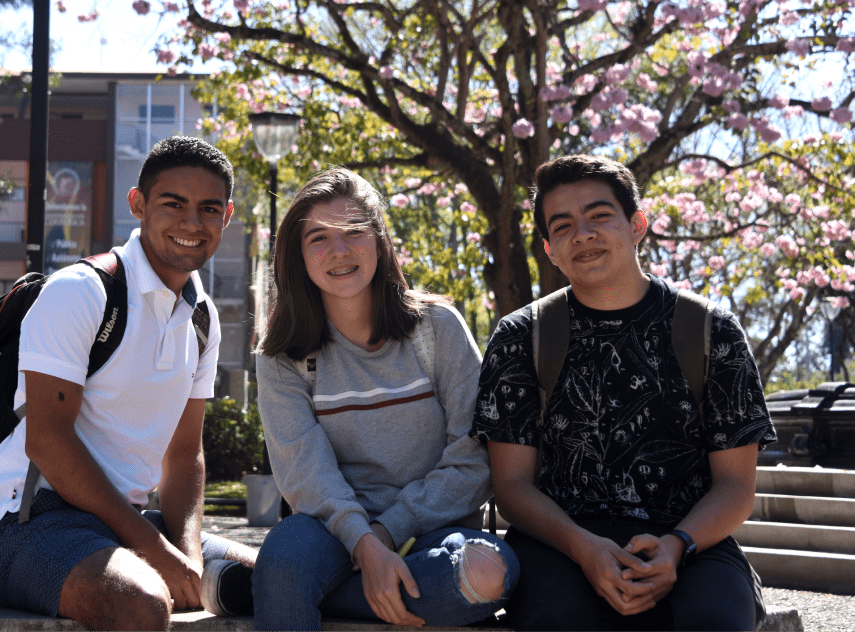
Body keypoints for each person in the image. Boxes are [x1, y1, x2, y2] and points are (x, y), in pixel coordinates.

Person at [471, 154, 777, 631]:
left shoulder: (711, 331)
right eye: (564, 225)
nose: (584, 234)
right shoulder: (520, 338)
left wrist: (677, 545)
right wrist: (583, 547)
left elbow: (736, 485)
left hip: (691, 540)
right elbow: (512, 486)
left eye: (599, 216)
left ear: (637, 224)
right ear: (550, 248)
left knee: (713, 620)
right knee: (558, 619)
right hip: (560, 541)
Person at [0, 136, 257, 631]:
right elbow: (48, 441)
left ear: (227, 216)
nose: (192, 223)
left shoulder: (203, 317)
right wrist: (154, 551)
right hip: (29, 522)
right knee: (140, 602)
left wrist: (184, 552)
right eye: (173, 204)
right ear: (138, 204)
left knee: (280, 573)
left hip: (127, 522)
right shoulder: (81, 292)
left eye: (208, 209)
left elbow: (184, 453)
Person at [239, 167, 518, 630]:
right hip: (328, 531)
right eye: (319, 239)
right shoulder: (282, 357)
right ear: (297, 255)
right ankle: (297, 584)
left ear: (380, 240)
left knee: (488, 575)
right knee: (285, 560)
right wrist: (364, 545)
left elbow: (474, 460)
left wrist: (386, 535)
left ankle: (297, 592)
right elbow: (304, 474)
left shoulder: (437, 329)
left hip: (434, 530)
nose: (340, 251)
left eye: (354, 232)